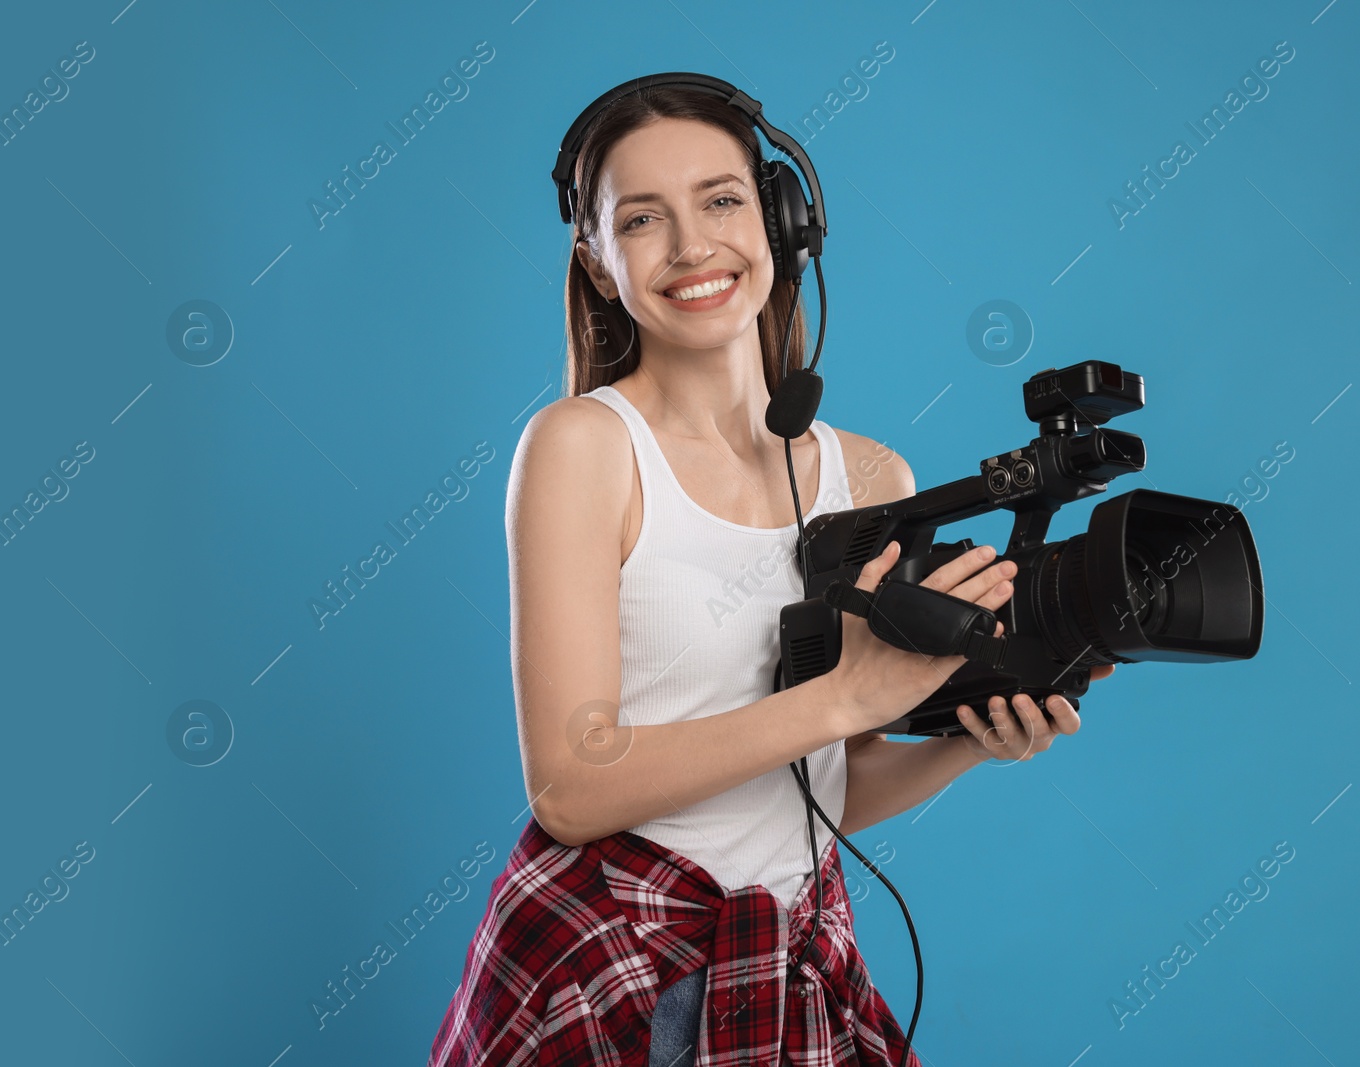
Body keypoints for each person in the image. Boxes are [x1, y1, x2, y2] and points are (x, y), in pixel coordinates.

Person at [428, 82, 1113, 1067]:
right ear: (596, 257)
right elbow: (570, 789)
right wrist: (847, 695)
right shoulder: (583, 446)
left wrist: (967, 741)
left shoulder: (874, 478)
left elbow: (819, 784)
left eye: (720, 200)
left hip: (795, 954)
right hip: (627, 961)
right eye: (641, 218)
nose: (692, 246)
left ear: (784, 221)